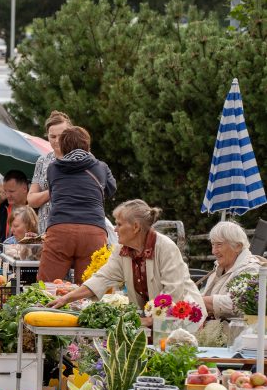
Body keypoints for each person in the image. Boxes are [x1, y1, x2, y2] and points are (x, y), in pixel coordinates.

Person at [48, 200, 204, 319]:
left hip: (184, 318)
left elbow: (172, 293)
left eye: (119, 224)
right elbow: (101, 279)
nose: (115, 229)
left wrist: (148, 321)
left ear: (135, 227)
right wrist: (66, 299)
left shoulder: (166, 247)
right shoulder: (122, 251)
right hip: (154, 321)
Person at [37, 126, 116, 283]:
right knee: (89, 289)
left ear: (64, 147)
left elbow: (53, 192)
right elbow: (110, 189)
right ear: (87, 146)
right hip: (93, 230)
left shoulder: (53, 168)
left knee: (48, 288)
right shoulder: (101, 167)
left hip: (60, 230)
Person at [201, 220, 266, 319]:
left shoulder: (251, 268)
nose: (213, 251)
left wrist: (199, 301)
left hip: (236, 331)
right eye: (212, 244)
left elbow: (236, 302)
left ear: (237, 246)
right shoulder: (221, 266)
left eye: (219, 244)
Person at [27, 111, 72, 233]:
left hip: (72, 226)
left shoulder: (82, 158)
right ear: (47, 136)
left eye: (62, 135)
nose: (57, 140)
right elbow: (31, 200)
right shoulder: (42, 161)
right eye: (53, 136)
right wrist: (53, 191)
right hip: (46, 229)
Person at [0, 170, 29, 253]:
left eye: (11, 191)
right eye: (5, 191)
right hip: (3, 259)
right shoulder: (3, 206)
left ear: (24, 189)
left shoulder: (34, 209)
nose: (7, 195)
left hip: (23, 260)